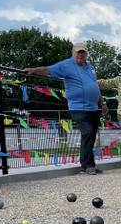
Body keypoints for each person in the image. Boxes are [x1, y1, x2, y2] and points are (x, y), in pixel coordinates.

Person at [24, 42, 107, 175]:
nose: (80, 55)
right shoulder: (66, 65)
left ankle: (90, 164)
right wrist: (33, 70)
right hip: (78, 107)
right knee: (87, 133)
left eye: (83, 52)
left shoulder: (90, 66)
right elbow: (48, 70)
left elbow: (94, 86)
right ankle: (86, 166)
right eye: (78, 52)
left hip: (93, 107)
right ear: (73, 53)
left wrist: (102, 103)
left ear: (86, 54)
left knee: (91, 136)